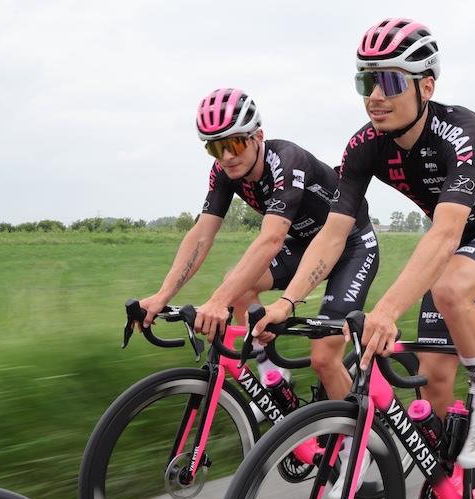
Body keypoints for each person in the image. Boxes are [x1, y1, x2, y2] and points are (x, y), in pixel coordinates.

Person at [252, 18, 475, 499]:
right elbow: (334, 233)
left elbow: (447, 232)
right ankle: (448, 478)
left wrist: (384, 309)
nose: (374, 97)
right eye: (366, 82)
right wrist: (288, 300)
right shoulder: (365, 146)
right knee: (431, 383)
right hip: (455, 246)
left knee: (449, 286)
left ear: (425, 85)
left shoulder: (462, 129)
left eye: (388, 81)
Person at [138, 88, 379, 406]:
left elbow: (271, 239)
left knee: (323, 358)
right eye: (216, 148)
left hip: (352, 247)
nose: (227, 156)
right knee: (235, 283)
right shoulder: (225, 174)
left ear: (257, 136)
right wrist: (162, 294)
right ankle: (274, 377)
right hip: (307, 246)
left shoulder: (286, 161)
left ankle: (362, 449)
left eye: (234, 143)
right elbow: (201, 235)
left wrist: (217, 302)